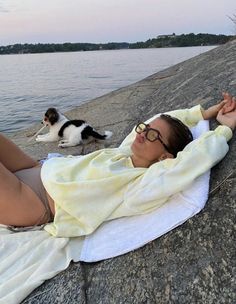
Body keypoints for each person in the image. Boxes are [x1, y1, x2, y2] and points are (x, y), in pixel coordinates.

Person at [0, 93, 235, 237]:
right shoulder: (127, 150)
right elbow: (161, 118)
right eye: (145, 128)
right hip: (35, 168)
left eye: (152, 136)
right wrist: (203, 113)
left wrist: (224, 128)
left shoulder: (142, 184)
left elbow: (193, 159)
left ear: (165, 158)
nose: (142, 134)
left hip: (30, 202)